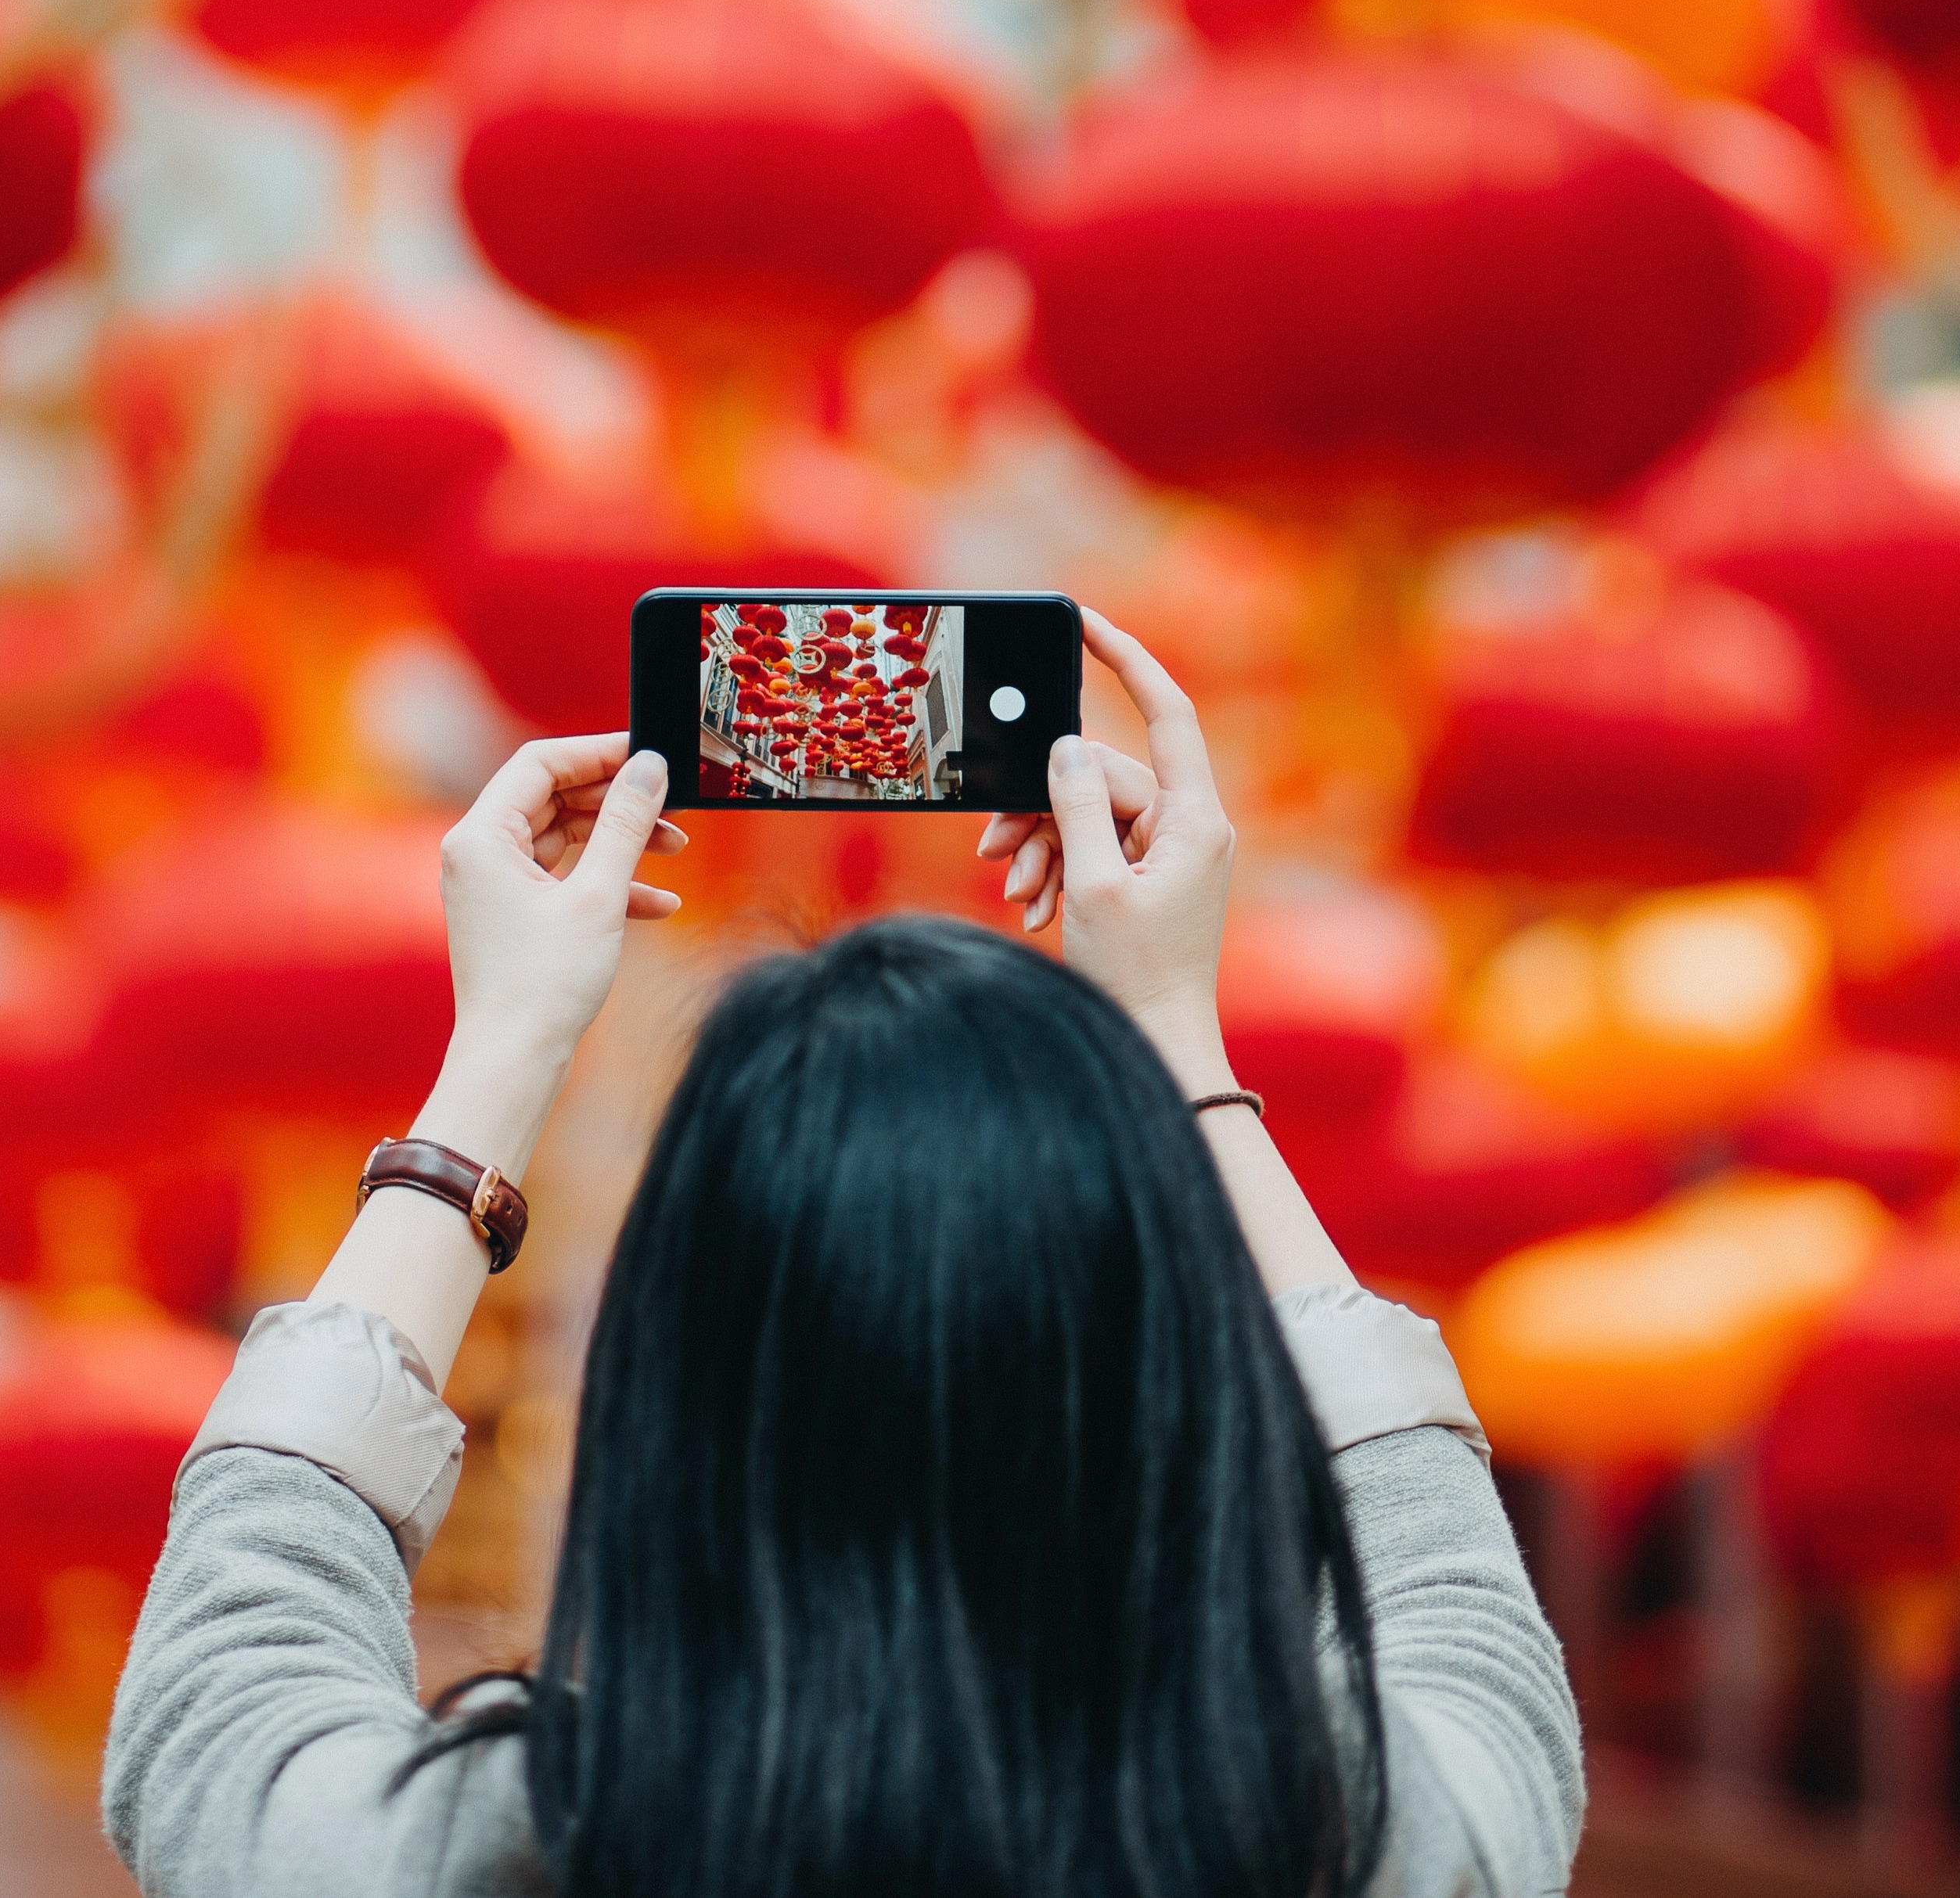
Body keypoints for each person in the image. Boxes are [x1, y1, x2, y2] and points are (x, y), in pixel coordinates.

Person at [102, 614, 1584, 1896]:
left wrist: (499, 1051)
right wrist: (1182, 1051)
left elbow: (241, 1635)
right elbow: (1436, 1581)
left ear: (668, 1386)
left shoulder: (484, 1854)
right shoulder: (1353, 1845)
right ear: (1164, 1381)